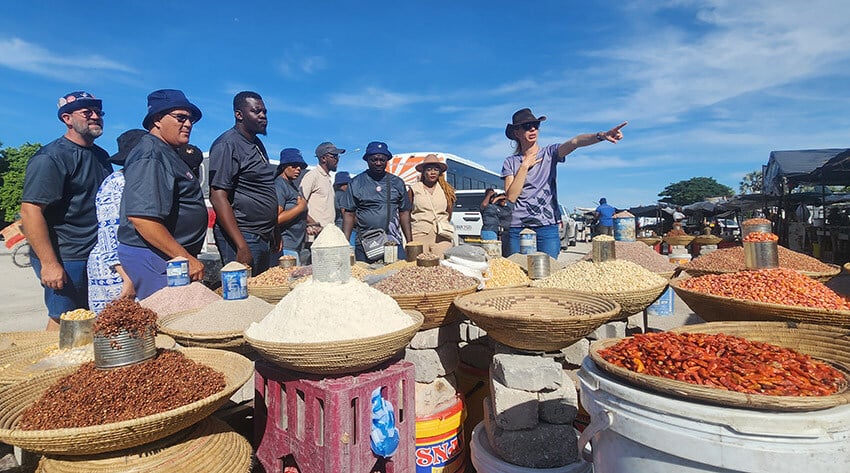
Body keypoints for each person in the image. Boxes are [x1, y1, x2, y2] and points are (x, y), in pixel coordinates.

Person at [21, 91, 112, 329]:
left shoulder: (101, 157)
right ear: (67, 118)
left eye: (98, 112)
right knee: (65, 320)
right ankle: (51, 367)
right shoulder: (51, 157)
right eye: (87, 112)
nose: (96, 116)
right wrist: (49, 264)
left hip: (95, 254)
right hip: (66, 255)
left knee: (92, 319)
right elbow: (31, 211)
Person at [117, 89, 206, 300]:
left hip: (167, 256)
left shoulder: (166, 152)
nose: (188, 124)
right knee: (167, 321)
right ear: (157, 119)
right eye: (180, 117)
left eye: (190, 119)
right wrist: (184, 257)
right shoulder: (151, 154)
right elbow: (142, 218)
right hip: (155, 256)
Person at [502, 108, 626, 258]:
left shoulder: (550, 153)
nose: (533, 128)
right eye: (527, 126)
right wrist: (524, 166)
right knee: (518, 273)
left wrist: (601, 136)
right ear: (516, 132)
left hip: (547, 226)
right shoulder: (510, 162)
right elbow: (511, 197)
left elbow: (575, 142)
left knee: (549, 273)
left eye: (535, 125)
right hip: (518, 227)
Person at [209, 91, 278, 276]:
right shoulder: (228, 144)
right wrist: (241, 245)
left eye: (264, 112)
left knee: (260, 296)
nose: (263, 116)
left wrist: (274, 231)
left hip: (263, 236)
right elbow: (217, 196)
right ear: (239, 114)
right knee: (242, 297)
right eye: (256, 111)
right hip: (243, 236)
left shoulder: (257, 144)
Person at [86, 129, 145, 315]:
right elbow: (109, 234)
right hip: (115, 271)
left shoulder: (139, 180)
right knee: (117, 334)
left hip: (133, 267)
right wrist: (127, 279)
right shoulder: (116, 183)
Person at [342, 141, 413, 262]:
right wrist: (344, 243)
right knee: (366, 278)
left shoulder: (397, 183)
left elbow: (404, 213)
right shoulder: (356, 182)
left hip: (393, 241)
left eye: (382, 160)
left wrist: (410, 242)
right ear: (367, 160)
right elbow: (349, 214)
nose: (378, 163)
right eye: (373, 160)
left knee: (395, 277)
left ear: (387, 160)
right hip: (365, 242)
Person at [407, 154, 456, 257]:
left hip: (442, 235)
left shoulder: (446, 190)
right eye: (429, 169)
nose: (432, 172)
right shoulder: (414, 189)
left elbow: (449, 212)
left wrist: (442, 223)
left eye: (436, 169)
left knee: (443, 266)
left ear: (440, 172)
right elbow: (406, 212)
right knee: (418, 266)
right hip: (419, 234)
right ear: (423, 172)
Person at [301, 141, 345, 241]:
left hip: (327, 236)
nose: (337, 160)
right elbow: (299, 204)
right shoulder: (313, 176)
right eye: (334, 156)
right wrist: (313, 224)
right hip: (314, 237)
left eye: (338, 157)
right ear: (323, 158)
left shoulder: (327, 179)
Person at [274, 148, 309, 265]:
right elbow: (276, 219)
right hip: (286, 246)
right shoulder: (279, 185)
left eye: (300, 166)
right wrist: (300, 208)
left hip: (296, 246)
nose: (298, 169)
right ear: (284, 166)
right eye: (294, 165)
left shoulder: (292, 186)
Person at [480, 189, 514, 256]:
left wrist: (499, 198)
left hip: (496, 231)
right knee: (491, 252)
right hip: (488, 230)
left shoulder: (495, 207)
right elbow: (484, 204)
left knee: (497, 252)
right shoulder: (485, 206)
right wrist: (490, 195)